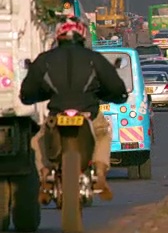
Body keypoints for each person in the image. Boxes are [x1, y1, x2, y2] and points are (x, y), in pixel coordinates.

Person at [19, 17, 128, 203]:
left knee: (38, 140)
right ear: (82, 36)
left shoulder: (45, 60)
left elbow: (28, 92)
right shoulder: (94, 59)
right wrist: (116, 97)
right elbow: (116, 88)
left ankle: (45, 175)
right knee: (103, 133)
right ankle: (100, 172)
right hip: (89, 114)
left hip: (57, 114)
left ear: (58, 37)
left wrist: (37, 96)